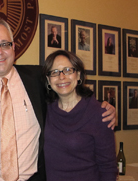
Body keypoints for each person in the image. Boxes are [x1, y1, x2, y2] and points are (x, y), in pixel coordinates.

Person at [0, 18, 116, 181]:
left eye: (5, 44)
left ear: (13, 47)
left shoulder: (38, 79)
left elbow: (68, 89)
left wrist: (103, 106)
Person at [42, 50, 117, 181]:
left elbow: (108, 167)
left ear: (78, 75)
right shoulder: (43, 110)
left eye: (68, 70)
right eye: (54, 72)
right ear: (48, 80)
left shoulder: (100, 114)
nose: (61, 77)